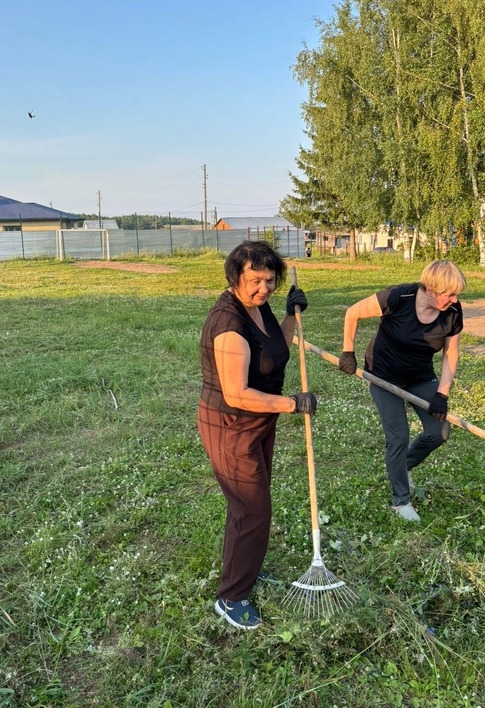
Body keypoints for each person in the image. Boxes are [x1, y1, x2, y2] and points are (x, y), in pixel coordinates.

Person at [198, 241, 317, 630]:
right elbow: (236, 393)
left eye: (270, 281)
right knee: (252, 509)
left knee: (249, 505)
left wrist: (289, 316)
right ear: (235, 277)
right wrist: (292, 404)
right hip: (230, 425)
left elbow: (274, 350)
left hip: (258, 421)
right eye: (255, 281)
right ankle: (231, 597)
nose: (264, 288)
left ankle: (244, 566)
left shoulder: (258, 306)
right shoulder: (229, 324)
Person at [338, 260, 467, 522]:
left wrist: (442, 393)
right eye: (449, 294)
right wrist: (348, 352)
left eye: (457, 295)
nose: (455, 300)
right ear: (430, 289)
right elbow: (352, 313)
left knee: (439, 432)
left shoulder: (453, 311)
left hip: (420, 377)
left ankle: (403, 465)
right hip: (383, 376)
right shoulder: (397, 297)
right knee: (398, 436)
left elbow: (450, 354)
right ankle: (400, 502)